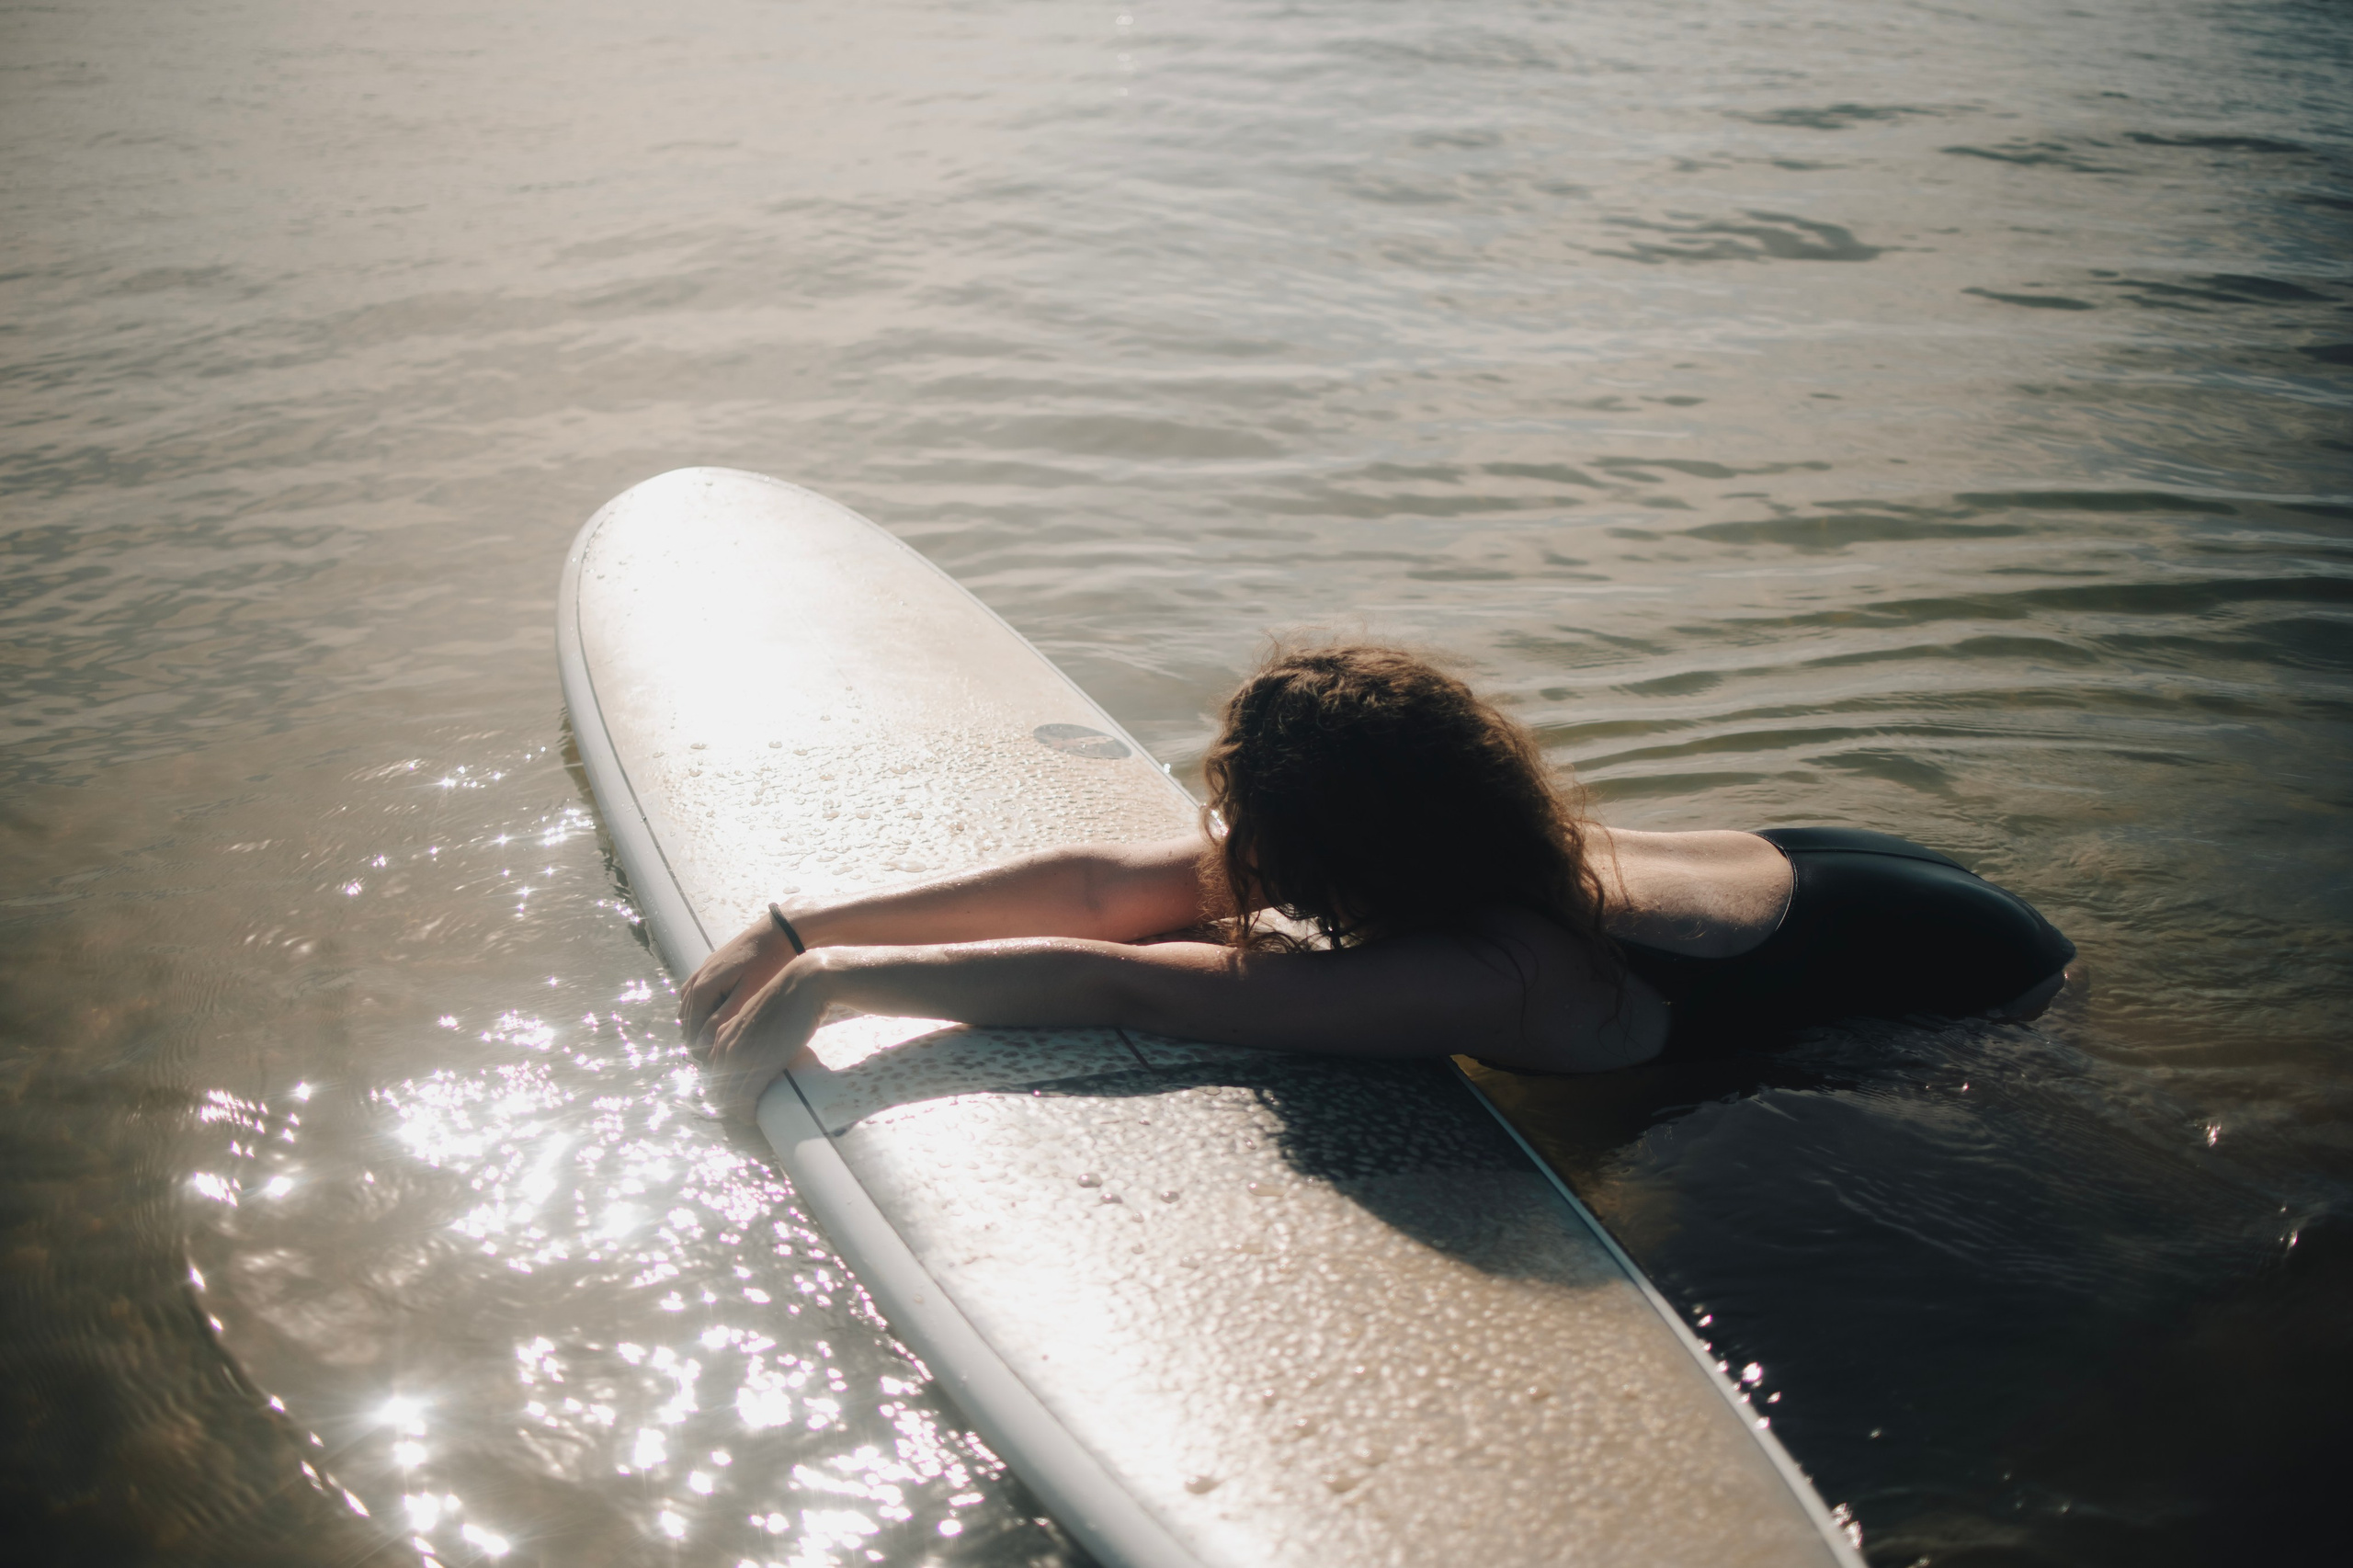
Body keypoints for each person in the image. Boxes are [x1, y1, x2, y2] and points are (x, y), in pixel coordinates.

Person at [680, 644, 2075, 1119]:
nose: (1228, 836)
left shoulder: (1494, 967)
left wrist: (847, 983)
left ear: (1353, 845)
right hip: (1851, 875)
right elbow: (1118, 892)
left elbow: (1130, 982)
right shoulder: (1481, 847)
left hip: (1968, 976)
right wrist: (801, 918)